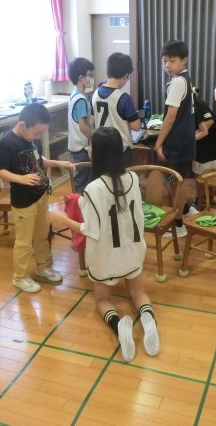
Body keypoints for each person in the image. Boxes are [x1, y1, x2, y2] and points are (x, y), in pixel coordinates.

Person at [49, 127, 160, 362]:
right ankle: (149, 320)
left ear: (97, 152)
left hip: (105, 257)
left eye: (90, 146)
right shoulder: (133, 178)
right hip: (133, 251)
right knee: (138, 293)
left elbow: (90, 230)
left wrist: (61, 219)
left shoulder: (93, 188)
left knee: (102, 300)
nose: (88, 149)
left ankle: (119, 327)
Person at [0, 102, 75, 293]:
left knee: (41, 235)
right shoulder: (7, 143)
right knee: (24, 242)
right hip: (23, 201)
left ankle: (43, 266)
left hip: (40, 195)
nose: (38, 137)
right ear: (23, 125)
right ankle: (20, 277)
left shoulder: (32, 139)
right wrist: (20, 179)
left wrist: (57, 163)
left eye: (41, 133)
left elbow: (39, 160)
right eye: (36, 133)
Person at [156, 39, 197, 237]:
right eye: (165, 61)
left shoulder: (179, 81)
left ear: (184, 60)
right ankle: (186, 210)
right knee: (173, 182)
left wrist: (158, 143)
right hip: (183, 140)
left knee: (174, 184)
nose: (167, 65)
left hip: (177, 142)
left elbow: (170, 117)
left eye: (172, 61)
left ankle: (179, 225)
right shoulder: (183, 79)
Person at [91, 52, 141, 167]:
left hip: (100, 148)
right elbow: (136, 127)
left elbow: (93, 120)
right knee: (122, 178)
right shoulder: (124, 98)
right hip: (120, 151)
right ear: (126, 75)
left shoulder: (95, 94)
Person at [66, 57, 95, 192]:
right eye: (90, 75)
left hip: (75, 145)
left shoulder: (74, 94)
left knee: (81, 179)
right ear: (81, 78)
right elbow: (83, 126)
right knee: (83, 182)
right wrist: (95, 138)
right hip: (81, 148)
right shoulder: (81, 99)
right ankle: (78, 203)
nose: (92, 78)